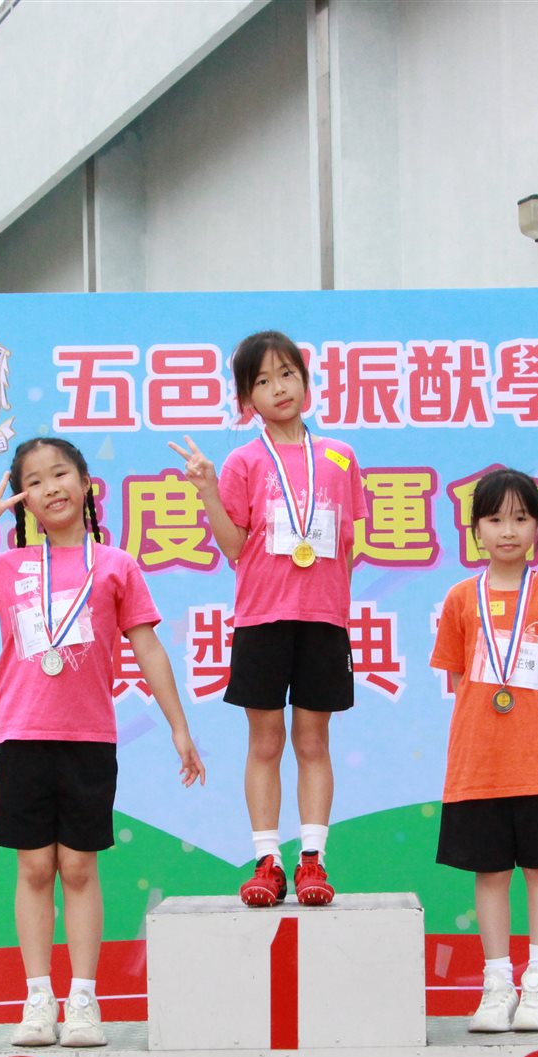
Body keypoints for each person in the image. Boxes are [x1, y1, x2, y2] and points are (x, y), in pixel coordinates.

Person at [0, 436, 204, 1048]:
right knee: (33, 867)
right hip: (22, 737)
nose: (50, 487)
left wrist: (179, 727)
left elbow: (149, 648)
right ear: (22, 499)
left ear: (85, 483)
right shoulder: (7, 567)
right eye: (34, 480)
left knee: (78, 867)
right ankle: (37, 998)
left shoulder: (116, 565)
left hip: (88, 739)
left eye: (60, 474)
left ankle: (82, 998)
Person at [171, 330, 365, 907]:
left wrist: (327, 597)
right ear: (246, 398)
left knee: (313, 740)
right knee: (265, 741)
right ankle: (267, 862)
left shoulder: (339, 456)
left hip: (323, 619)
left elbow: (349, 541)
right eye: (262, 381)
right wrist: (207, 491)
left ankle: (312, 861)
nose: (279, 388)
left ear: (305, 381)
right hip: (262, 619)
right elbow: (234, 545)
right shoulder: (244, 461)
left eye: (287, 374)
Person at [429, 467, 538, 1034]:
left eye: (521, 518)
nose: (509, 530)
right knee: (490, 874)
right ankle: (497, 985)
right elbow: (457, 679)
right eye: (495, 519)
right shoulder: (459, 599)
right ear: (476, 531)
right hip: (478, 766)